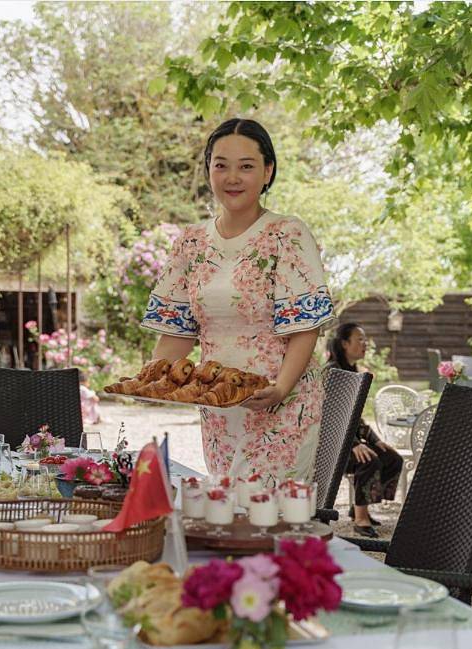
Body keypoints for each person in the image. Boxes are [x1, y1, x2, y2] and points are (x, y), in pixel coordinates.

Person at [140, 118, 335, 484]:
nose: (233, 177)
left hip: (282, 402)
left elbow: (305, 328)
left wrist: (280, 388)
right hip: (218, 408)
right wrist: (150, 381)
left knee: (268, 519)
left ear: (267, 171)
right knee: (226, 512)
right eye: (221, 165)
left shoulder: (287, 234)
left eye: (246, 166)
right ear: (208, 171)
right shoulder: (191, 242)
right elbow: (178, 332)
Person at [325, 322, 403, 538]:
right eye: (360, 339)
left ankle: (359, 507)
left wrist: (375, 440)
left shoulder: (351, 371)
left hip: (347, 440)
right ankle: (360, 519)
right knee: (369, 460)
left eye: (365, 339)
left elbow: (354, 418)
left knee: (391, 458)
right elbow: (330, 417)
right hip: (329, 446)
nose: (365, 343)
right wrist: (355, 445)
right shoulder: (333, 372)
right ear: (344, 343)